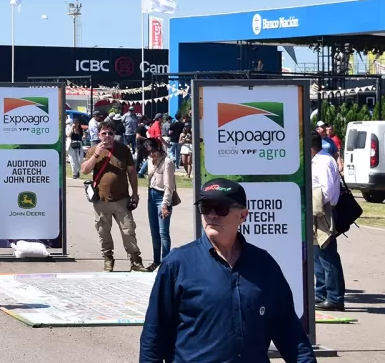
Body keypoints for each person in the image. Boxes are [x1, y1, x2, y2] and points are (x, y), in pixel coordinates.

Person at [140, 178, 316, 363]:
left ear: (243, 215)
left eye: (221, 208)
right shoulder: (177, 264)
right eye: (206, 207)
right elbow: (154, 335)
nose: (212, 215)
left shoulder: (265, 265)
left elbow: (290, 333)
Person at [81, 124, 146, 272]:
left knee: (128, 230)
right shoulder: (93, 150)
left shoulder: (123, 150)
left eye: (110, 133)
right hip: (101, 200)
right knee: (103, 232)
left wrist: (135, 194)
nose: (107, 136)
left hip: (122, 199)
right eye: (104, 133)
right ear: (99, 135)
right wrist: (97, 154)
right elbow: (84, 170)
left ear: (114, 134)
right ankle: (108, 258)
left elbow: (132, 173)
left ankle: (135, 261)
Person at [311, 133, 345, 310]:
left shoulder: (323, 162)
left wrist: (314, 206)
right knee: (317, 254)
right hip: (317, 212)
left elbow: (327, 192)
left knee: (327, 255)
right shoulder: (318, 160)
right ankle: (321, 293)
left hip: (323, 211)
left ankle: (335, 297)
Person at [143, 138, 175, 272]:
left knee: (163, 233)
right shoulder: (150, 161)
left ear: (158, 148)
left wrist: (165, 204)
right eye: (149, 152)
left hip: (162, 197)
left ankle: (165, 262)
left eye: (153, 151)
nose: (151, 154)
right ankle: (156, 260)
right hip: (151, 195)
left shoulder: (167, 162)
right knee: (154, 232)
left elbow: (169, 186)